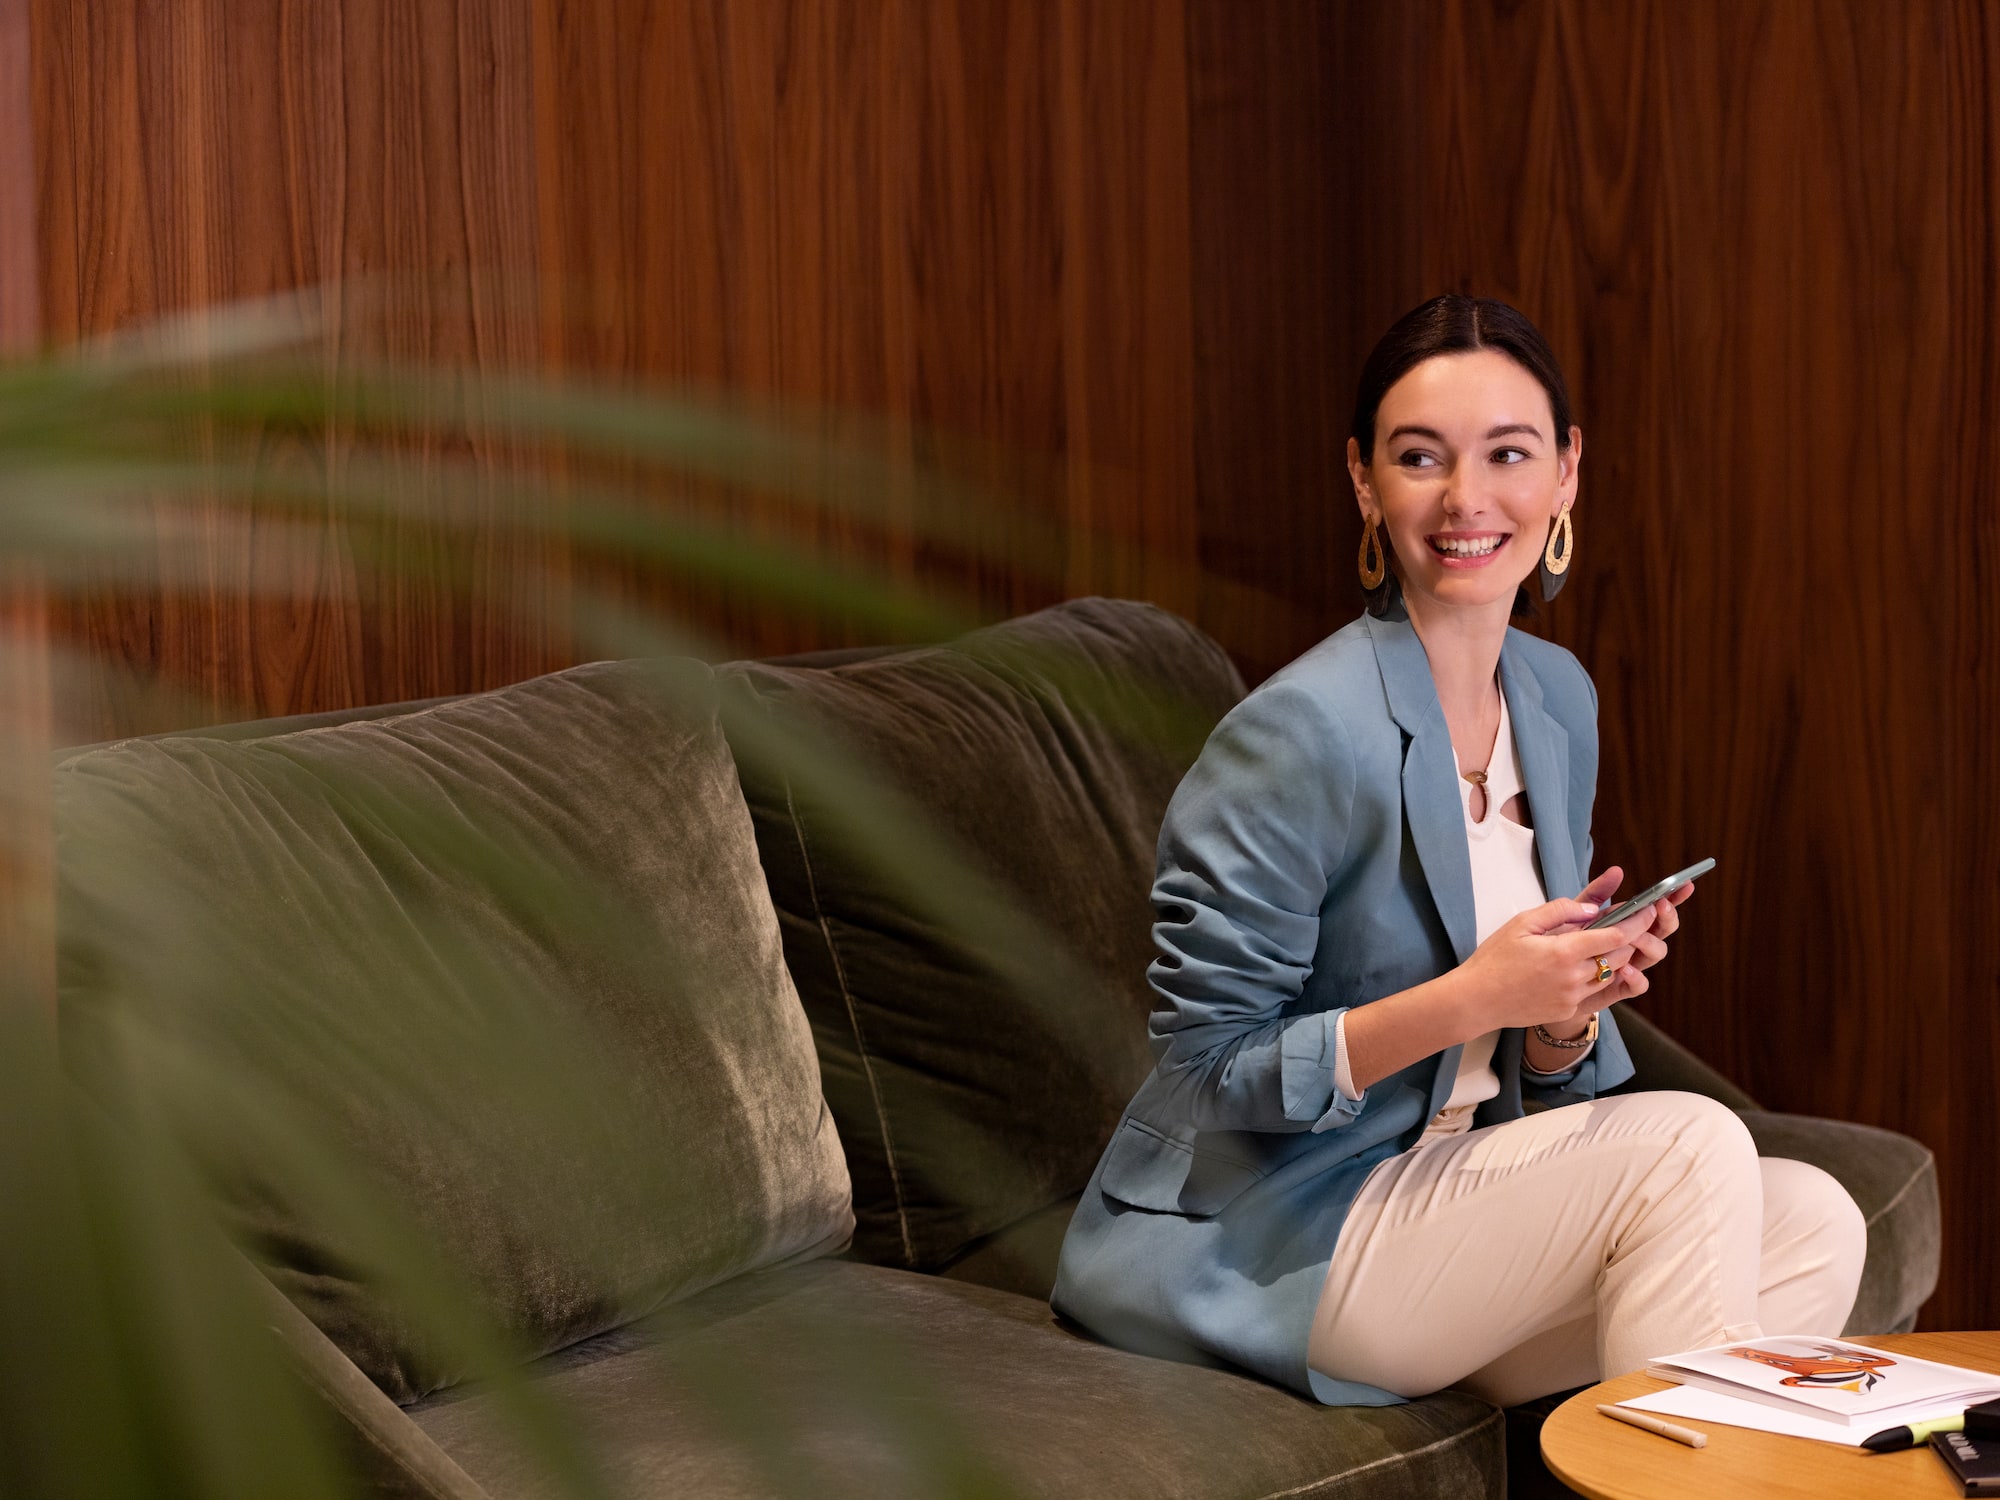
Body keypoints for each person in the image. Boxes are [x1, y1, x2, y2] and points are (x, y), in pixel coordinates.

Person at [1051, 294, 1865, 1407]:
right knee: (1687, 1146)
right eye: (1419, 457)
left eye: (1508, 454)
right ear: (1363, 483)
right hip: (1285, 1232)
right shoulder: (1298, 735)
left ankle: (1655, 1458)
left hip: (1452, 1204)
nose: (1466, 499)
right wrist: (1472, 996)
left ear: (1566, 474)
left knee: (1813, 1220)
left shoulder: (1551, 698)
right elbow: (1205, 1072)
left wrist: (1562, 1011)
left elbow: (1536, 1092)